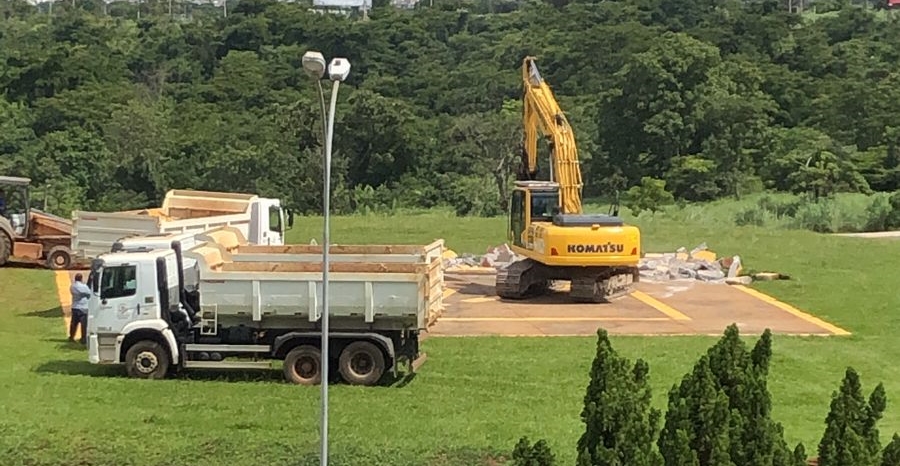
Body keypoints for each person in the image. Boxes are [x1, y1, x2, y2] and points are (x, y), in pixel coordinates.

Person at [69, 273, 91, 344]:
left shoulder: (72, 286)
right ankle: (83, 338)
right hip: (83, 308)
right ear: (81, 278)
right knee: (84, 325)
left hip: (75, 307)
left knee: (73, 324)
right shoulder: (84, 286)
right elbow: (89, 293)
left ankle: (71, 337)